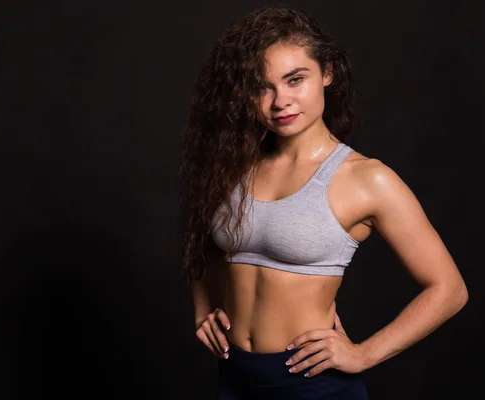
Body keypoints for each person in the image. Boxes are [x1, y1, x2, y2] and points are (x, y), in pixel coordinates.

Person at [178, 5, 468, 399]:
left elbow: (448, 289)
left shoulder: (367, 179)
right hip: (235, 379)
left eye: (295, 79)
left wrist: (364, 353)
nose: (280, 101)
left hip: (313, 384)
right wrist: (202, 309)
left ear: (327, 73)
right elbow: (207, 241)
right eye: (262, 86)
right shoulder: (233, 164)